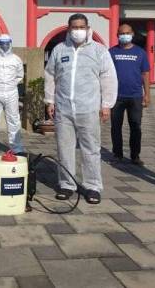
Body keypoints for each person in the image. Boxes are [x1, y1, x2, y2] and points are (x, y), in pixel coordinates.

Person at [44, 14, 117, 205]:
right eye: (74, 27)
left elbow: (108, 78)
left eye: (81, 27)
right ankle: (67, 184)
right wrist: (50, 100)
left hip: (89, 108)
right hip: (64, 108)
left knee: (91, 149)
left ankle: (92, 186)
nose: (78, 30)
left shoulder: (99, 51)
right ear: (68, 29)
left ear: (87, 28)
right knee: (64, 148)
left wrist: (106, 104)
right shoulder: (60, 50)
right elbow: (51, 75)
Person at [109, 23, 150, 165]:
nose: (124, 35)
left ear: (132, 34)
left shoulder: (140, 52)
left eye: (127, 33)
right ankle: (117, 154)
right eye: (121, 33)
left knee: (136, 126)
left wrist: (147, 94)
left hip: (135, 95)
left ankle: (135, 155)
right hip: (116, 96)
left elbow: (145, 74)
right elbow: (105, 74)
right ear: (117, 35)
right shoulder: (111, 52)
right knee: (115, 126)